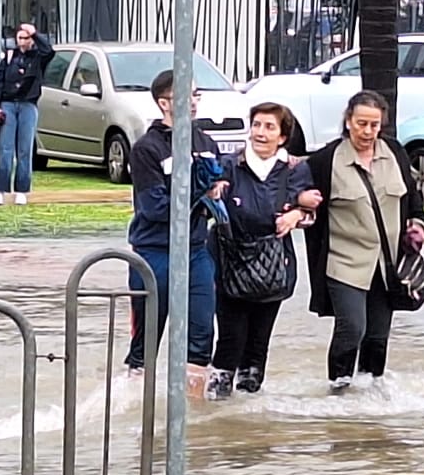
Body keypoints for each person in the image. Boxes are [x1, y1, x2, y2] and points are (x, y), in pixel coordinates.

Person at [303, 91, 424, 392]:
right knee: (352, 328)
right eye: (361, 124)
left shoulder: (395, 153)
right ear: (348, 122)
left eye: (374, 125)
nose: (368, 132)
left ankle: (371, 393)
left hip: (387, 265)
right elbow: (303, 196)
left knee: (377, 336)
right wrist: (301, 201)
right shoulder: (326, 160)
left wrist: (420, 224)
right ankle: (339, 390)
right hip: (343, 262)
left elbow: (413, 199)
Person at [209, 102, 320, 397]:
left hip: (273, 264)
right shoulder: (230, 165)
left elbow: (311, 211)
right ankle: (217, 401)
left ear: (282, 136)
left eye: (269, 127)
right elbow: (210, 198)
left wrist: (296, 215)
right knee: (231, 336)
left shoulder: (296, 169)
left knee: (259, 340)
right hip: (230, 260)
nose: (260, 132)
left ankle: (250, 404)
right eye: (256, 125)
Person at [124, 70, 227, 387]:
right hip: (155, 254)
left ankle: (193, 414)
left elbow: (222, 179)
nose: (194, 102)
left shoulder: (205, 141)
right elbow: (154, 208)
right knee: (148, 336)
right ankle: (135, 404)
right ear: (164, 103)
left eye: (196, 95)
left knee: (201, 333)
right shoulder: (147, 149)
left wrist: (218, 187)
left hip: (196, 251)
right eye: (186, 96)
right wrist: (198, 193)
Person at [0, 21, 54, 206]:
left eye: (27, 38)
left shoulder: (38, 57)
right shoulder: (9, 57)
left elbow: (49, 51)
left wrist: (36, 33)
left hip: (28, 105)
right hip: (8, 104)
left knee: (24, 150)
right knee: (6, 149)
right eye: (20, 38)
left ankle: (22, 190)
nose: (23, 42)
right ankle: (0, 190)